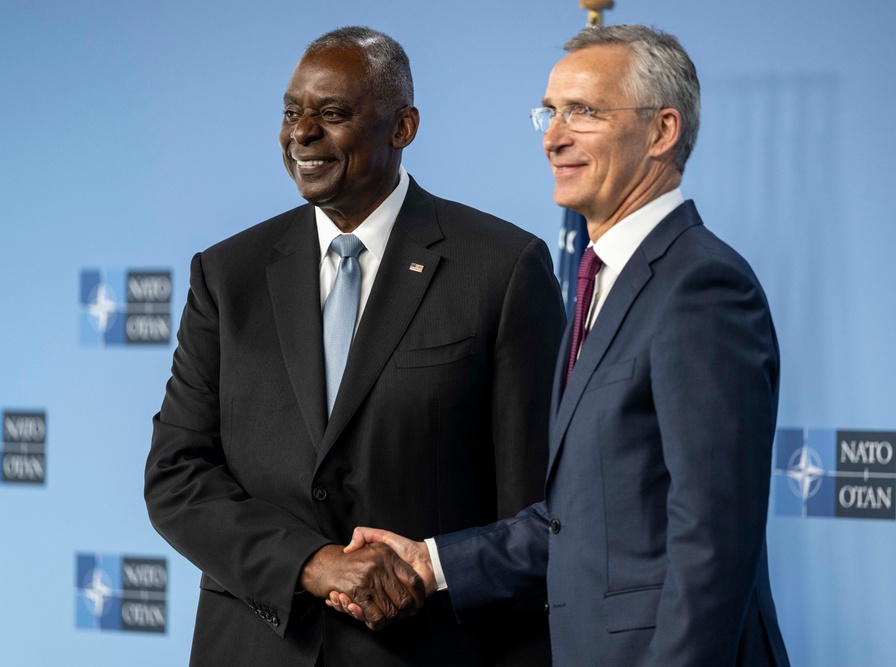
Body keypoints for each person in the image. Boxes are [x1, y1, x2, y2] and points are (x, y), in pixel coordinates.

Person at [336, 25, 791, 666]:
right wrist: (431, 562)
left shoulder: (702, 287)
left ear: (662, 131)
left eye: (583, 111)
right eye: (549, 112)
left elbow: (713, 544)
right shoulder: (600, 283)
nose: (553, 136)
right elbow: (579, 522)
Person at [143, 26, 563, 666]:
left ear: (403, 128)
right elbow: (177, 475)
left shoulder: (502, 268)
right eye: (292, 112)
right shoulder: (228, 275)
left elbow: (533, 512)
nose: (302, 133)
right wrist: (311, 563)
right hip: (254, 648)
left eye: (333, 114)